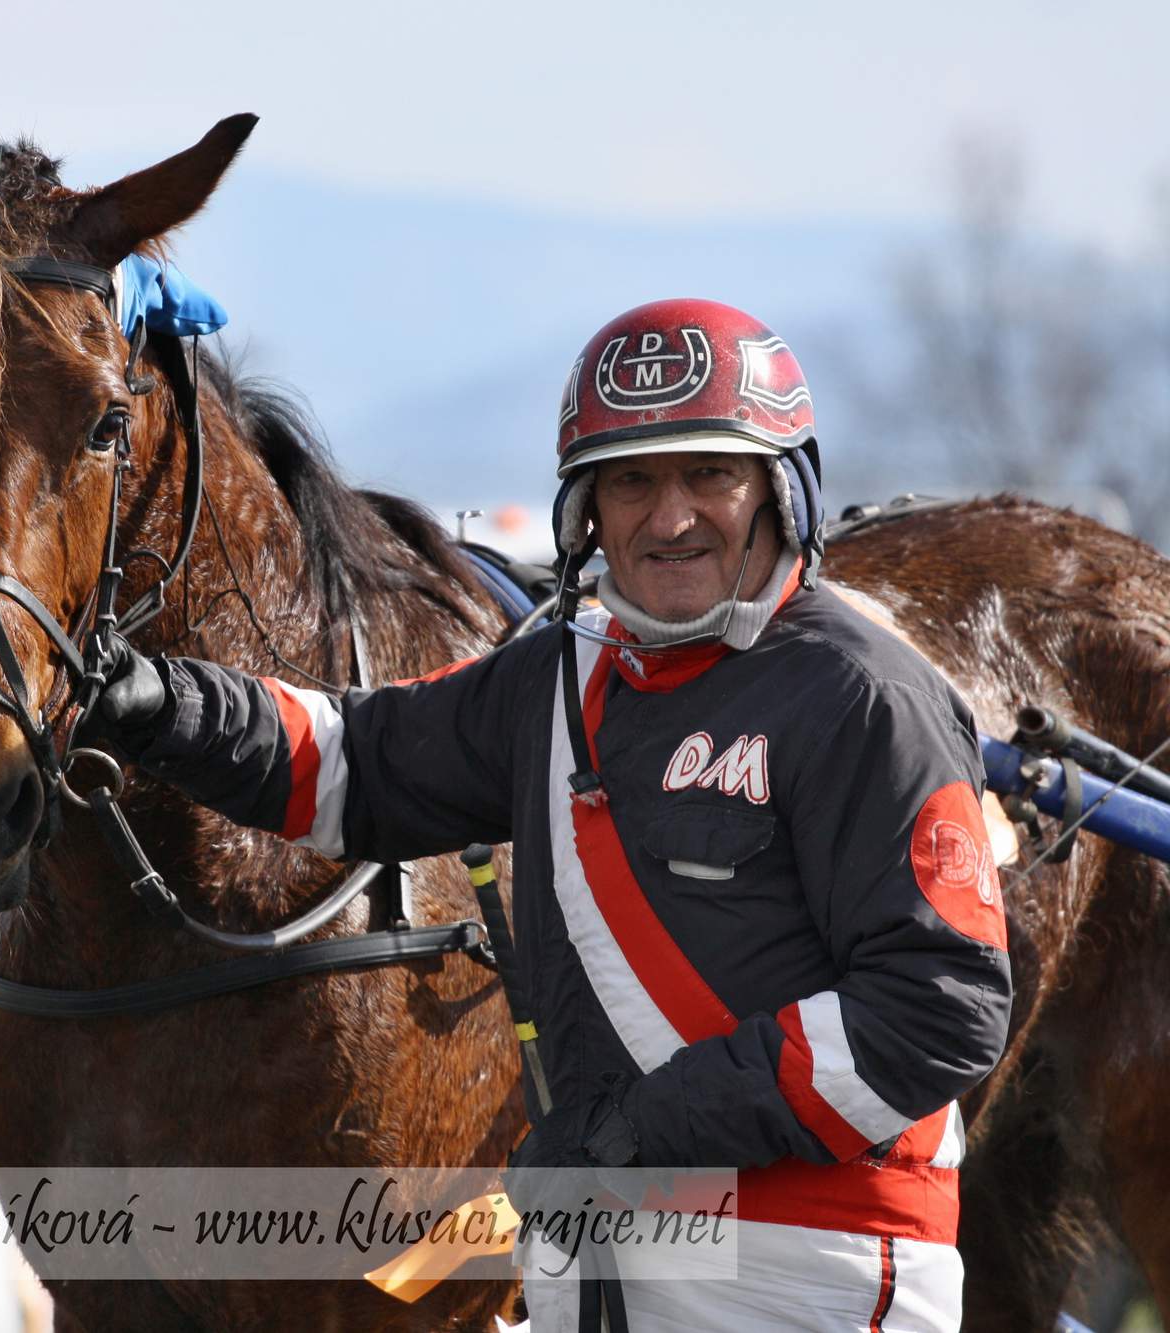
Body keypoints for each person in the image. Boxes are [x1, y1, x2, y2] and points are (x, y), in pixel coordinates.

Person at [82, 300, 1011, 1330]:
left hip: (808, 1263)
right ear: (585, 512)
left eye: (708, 472)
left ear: (778, 490)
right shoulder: (553, 680)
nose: (668, 517)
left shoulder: (861, 697)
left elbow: (937, 1007)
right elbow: (356, 761)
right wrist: (158, 702)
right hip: (597, 1253)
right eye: (630, 480)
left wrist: (639, 1133)